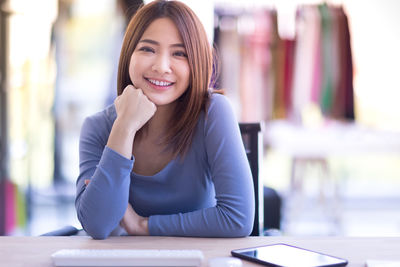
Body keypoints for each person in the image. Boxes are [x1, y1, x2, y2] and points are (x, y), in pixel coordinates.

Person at [75, 0, 254, 239]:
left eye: (179, 53)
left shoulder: (213, 113)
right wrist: (124, 127)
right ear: (129, 54)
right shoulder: (98, 127)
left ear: (196, 63)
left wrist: (142, 225)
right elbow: (97, 225)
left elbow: (237, 219)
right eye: (148, 49)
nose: (161, 66)